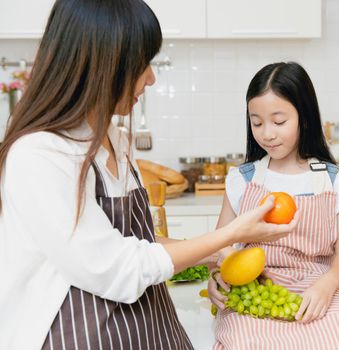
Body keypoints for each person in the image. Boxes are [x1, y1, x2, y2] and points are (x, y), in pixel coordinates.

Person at [0, 1, 297, 349]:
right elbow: (116, 268)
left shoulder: (115, 140)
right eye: (142, 64)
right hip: (80, 336)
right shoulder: (39, 155)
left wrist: (223, 252)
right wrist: (228, 234)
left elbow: (140, 244)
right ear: (103, 64)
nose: (151, 78)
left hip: (150, 327)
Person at [208, 62, 339, 349]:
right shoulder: (242, 179)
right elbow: (221, 244)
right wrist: (219, 274)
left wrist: (327, 287)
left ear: (304, 118)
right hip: (254, 285)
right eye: (257, 122)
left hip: (319, 283)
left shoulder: (334, 179)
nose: (267, 133)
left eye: (279, 122)